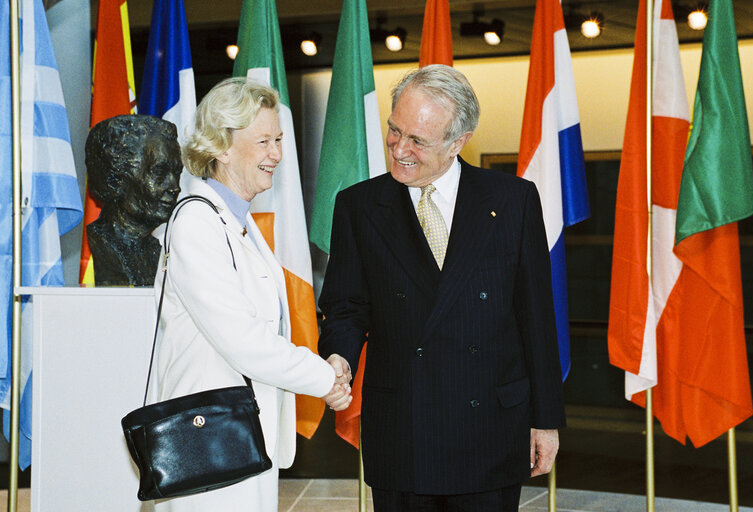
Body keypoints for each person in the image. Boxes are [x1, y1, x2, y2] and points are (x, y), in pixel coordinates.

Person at [318, 64, 565, 512]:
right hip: (403, 429)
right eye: (395, 130)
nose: (400, 149)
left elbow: (536, 318)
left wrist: (546, 421)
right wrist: (339, 357)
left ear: (458, 142)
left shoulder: (512, 200)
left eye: (418, 140)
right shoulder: (358, 205)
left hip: (490, 427)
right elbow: (346, 307)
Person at [150, 77, 351, 512]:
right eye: (263, 141)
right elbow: (244, 341)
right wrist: (323, 379)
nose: (276, 155)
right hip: (209, 445)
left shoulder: (238, 223)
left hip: (242, 440)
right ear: (221, 147)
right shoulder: (196, 224)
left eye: (278, 140)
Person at [85, 115, 183, 286]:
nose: (175, 187)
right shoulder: (97, 246)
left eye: (176, 173)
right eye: (159, 173)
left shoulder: (160, 254)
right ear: (117, 179)